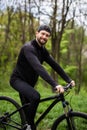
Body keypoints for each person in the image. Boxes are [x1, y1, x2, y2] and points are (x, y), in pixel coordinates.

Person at [10, 25, 75, 130]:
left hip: (29, 83)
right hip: (17, 80)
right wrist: (55, 84)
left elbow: (55, 65)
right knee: (35, 97)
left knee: (28, 111)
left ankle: (28, 124)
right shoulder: (28, 48)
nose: (44, 37)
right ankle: (29, 126)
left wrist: (68, 79)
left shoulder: (42, 50)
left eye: (47, 35)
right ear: (37, 33)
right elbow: (39, 68)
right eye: (43, 34)